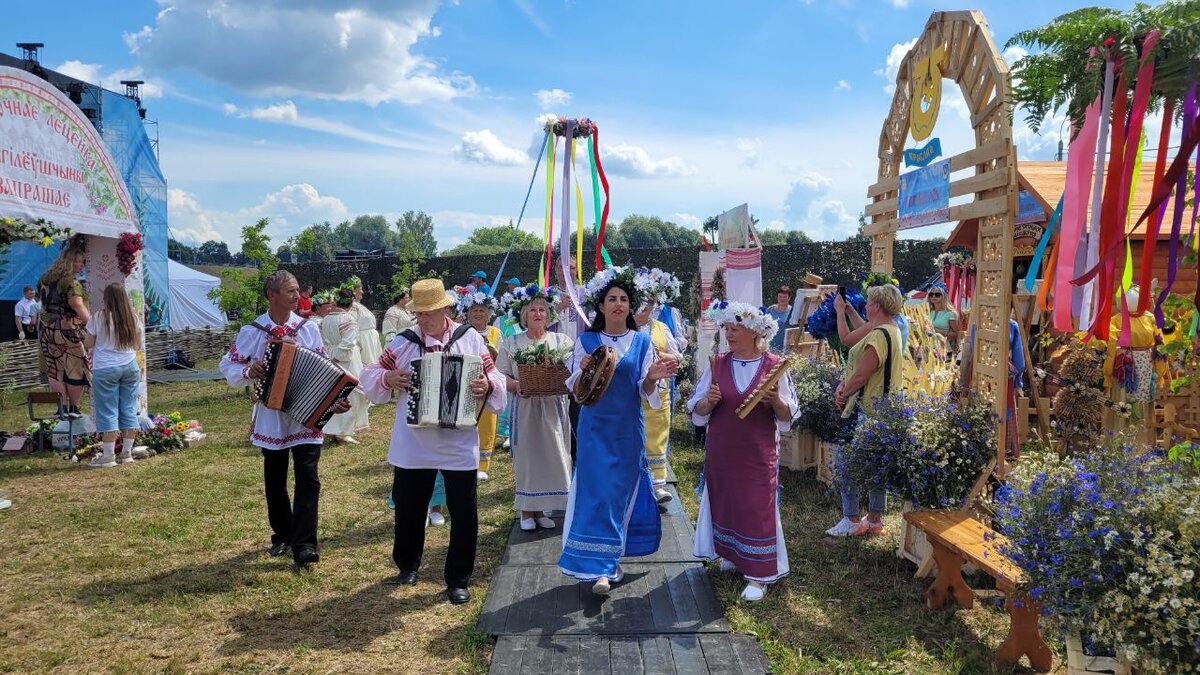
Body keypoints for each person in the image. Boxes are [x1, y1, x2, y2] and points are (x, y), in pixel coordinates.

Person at [361, 278, 507, 605]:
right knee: (409, 506)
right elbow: (370, 373)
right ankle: (407, 564)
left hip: (458, 441)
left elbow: (494, 375)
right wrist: (388, 377)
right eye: (419, 313)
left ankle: (458, 578)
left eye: (429, 313)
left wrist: (487, 385)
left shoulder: (469, 338)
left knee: (464, 510)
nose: (423, 319)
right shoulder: (404, 342)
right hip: (415, 441)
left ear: (445, 310)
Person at [218, 270, 350, 566]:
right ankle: (282, 535)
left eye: (297, 290)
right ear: (272, 295)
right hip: (272, 415)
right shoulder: (253, 331)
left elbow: (323, 368)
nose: (296, 296)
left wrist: (334, 400)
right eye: (290, 291)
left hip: (305, 414)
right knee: (275, 479)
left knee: (308, 478)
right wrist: (248, 371)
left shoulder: (308, 328)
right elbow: (227, 366)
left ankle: (305, 544)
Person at [559, 266, 676, 595]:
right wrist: (583, 370)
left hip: (627, 430)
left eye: (624, 299)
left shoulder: (642, 342)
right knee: (597, 494)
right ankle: (601, 568)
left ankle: (610, 561)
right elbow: (576, 390)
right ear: (600, 306)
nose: (618, 304)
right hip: (594, 429)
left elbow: (645, 390)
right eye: (612, 299)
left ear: (630, 306)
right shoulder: (585, 342)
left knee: (620, 495)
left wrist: (652, 376)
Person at [689, 301, 796, 601]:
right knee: (727, 502)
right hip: (722, 451)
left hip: (757, 453)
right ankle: (733, 556)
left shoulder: (774, 366)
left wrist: (776, 401)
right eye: (727, 328)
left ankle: (759, 575)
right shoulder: (717, 364)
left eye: (735, 329)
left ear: (754, 332)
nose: (729, 334)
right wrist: (709, 401)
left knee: (756, 506)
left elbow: (788, 417)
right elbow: (697, 412)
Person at [826, 284, 905, 538]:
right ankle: (873, 519)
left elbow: (862, 376)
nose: (866, 305)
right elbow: (864, 333)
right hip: (885, 409)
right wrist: (849, 312)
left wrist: (843, 392)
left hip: (867, 408)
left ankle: (851, 519)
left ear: (876, 306)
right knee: (875, 465)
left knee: (845, 462)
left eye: (869, 302)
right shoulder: (890, 329)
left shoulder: (879, 335)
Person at [496, 285, 573, 530]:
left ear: (549, 315)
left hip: (553, 406)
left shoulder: (561, 341)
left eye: (542, 310)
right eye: (533, 310)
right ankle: (527, 511)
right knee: (528, 456)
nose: (538, 314)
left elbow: (572, 372)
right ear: (524, 315)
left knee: (553, 454)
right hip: (526, 406)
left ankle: (543, 508)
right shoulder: (512, 342)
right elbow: (498, 376)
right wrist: (516, 385)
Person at [83, 283, 144, 468]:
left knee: (108, 410)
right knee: (129, 408)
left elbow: (88, 343)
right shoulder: (132, 317)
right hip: (130, 365)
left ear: (106, 299)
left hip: (105, 367)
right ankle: (126, 453)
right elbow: (137, 345)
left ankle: (108, 456)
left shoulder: (98, 317)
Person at [634, 298, 679, 504]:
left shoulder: (661, 328)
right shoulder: (623, 328)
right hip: (631, 392)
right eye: (640, 303)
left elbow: (676, 358)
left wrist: (658, 353)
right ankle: (635, 485)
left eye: (648, 304)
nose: (644, 308)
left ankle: (658, 484)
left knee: (657, 435)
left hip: (659, 391)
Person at [37, 244, 90, 415]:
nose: (81, 265)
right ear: (70, 262)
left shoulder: (45, 279)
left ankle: (61, 408)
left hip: (47, 329)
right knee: (76, 369)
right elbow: (77, 304)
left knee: (55, 370)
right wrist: (92, 325)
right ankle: (74, 408)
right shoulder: (70, 282)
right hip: (67, 330)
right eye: (78, 262)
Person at [456, 288, 501, 481]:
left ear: (489, 313)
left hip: (487, 381)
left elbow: (502, 358)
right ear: (468, 313)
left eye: (482, 310)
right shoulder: (460, 332)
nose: (478, 313)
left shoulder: (495, 332)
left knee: (487, 421)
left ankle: (483, 464)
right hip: (466, 380)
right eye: (474, 310)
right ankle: (466, 459)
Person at [548, 254, 588, 463]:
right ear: (555, 270)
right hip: (553, 358)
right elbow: (535, 322)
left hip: (580, 358)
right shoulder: (547, 294)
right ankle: (556, 452)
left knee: (577, 405)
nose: (567, 271)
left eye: (571, 268)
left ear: (577, 270)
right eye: (562, 267)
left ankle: (577, 452)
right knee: (555, 405)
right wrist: (556, 309)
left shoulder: (586, 294)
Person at [319, 287, 368, 444]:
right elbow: (348, 342)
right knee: (350, 392)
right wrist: (338, 358)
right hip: (347, 358)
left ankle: (332, 428)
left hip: (330, 355)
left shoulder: (325, 319)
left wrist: (330, 357)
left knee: (334, 392)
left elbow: (323, 341)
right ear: (350, 303)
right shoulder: (348, 319)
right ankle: (343, 431)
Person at [349, 276, 383, 371]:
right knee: (368, 367)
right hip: (364, 341)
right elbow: (353, 325)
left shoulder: (359, 305)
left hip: (371, 340)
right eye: (361, 289)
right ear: (354, 292)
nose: (363, 292)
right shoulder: (353, 306)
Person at [927, 283, 959, 355]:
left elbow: (956, 334)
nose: (934, 296)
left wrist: (941, 332)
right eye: (931, 294)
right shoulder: (928, 312)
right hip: (928, 347)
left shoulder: (950, 313)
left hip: (943, 348)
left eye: (937, 294)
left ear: (944, 296)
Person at [765, 286, 792, 353]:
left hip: (787, 347)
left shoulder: (792, 311)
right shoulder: (770, 309)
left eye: (784, 297)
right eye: (780, 296)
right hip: (771, 347)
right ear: (777, 297)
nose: (782, 299)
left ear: (789, 298)